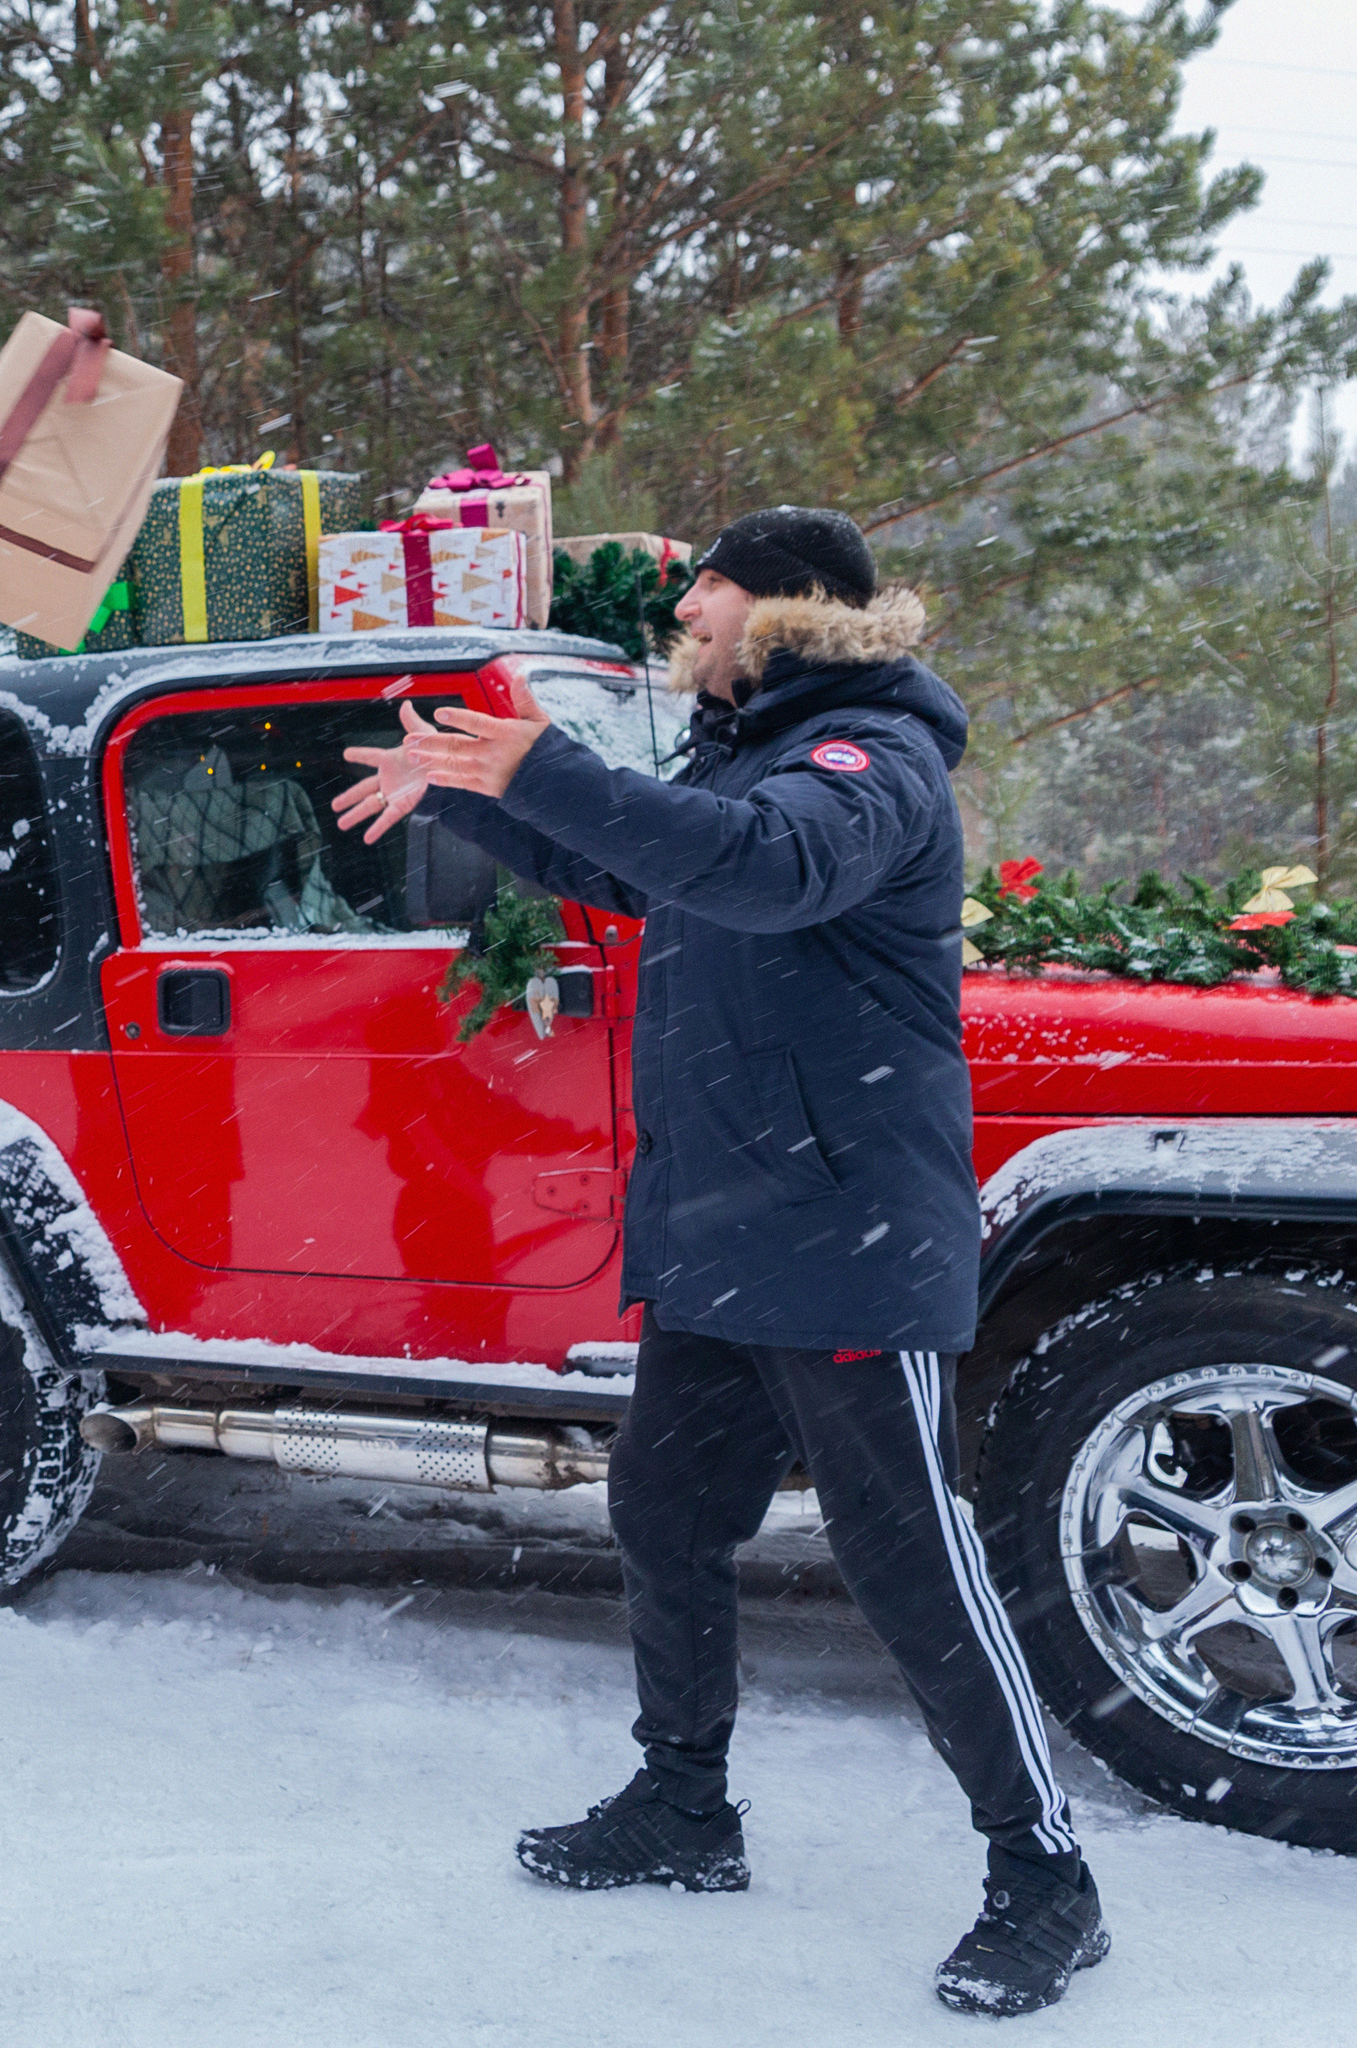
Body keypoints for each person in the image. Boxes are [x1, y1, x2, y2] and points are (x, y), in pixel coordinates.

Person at [334, 507, 1106, 2018]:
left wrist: (540, 761)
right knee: (667, 1507)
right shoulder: (745, 751)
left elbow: (761, 874)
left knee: (906, 1560)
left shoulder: (864, 759)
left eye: (712, 586)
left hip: (843, 1233)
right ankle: (684, 1808)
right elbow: (651, 877)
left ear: (789, 609)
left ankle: (1046, 1879)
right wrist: (477, 799)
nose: (685, 607)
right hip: (722, 1225)